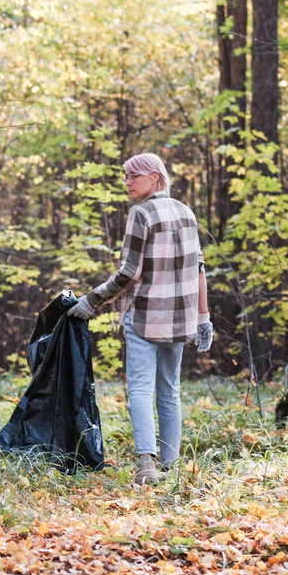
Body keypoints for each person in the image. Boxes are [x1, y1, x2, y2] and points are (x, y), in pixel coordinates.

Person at [68, 152, 213, 486]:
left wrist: (91, 301)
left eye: (134, 176)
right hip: (179, 320)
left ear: (156, 177)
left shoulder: (141, 212)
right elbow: (199, 269)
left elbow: (129, 273)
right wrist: (203, 318)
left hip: (145, 317)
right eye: (125, 176)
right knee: (169, 389)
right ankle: (171, 464)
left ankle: (146, 463)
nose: (127, 182)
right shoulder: (185, 212)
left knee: (141, 389)